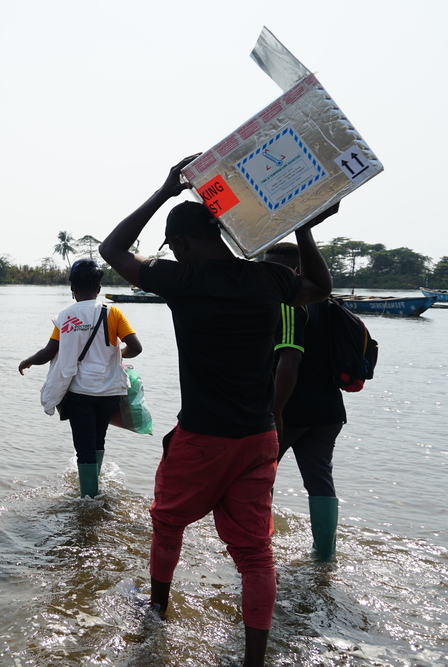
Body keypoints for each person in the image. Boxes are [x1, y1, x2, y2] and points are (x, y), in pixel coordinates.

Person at [98, 155, 336, 667]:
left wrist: (164, 190)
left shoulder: (182, 281)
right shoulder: (269, 279)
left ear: (181, 245)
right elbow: (321, 287)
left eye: (174, 247)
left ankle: (156, 615)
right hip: (258, 439)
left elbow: (111, 249)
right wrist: (306, 229)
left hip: (203, 438)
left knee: (167, 523)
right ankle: (253, 660)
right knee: (254, 554)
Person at [18, 259, 142, 497]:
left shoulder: (65, 317)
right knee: (98, 440)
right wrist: (116, 355)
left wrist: (29, 360)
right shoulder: (112, 312)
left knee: (83, 446)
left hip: (79, 393)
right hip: (109, 393)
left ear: (72, 289)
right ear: (98, 288)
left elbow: (48, 353)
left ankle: (88, 499)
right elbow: (135, 347)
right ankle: (94, 490)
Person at [265, 240, 345, 562]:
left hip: (292, 410)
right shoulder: (329, 303)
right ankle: (325, 554)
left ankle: (259, 547)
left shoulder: (289, 303)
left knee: (260, 476)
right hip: (329, 411)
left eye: (275, 268)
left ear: (295, 270)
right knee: (320, 479)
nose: (269, 274)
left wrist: (276, 411)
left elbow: (289, 360)